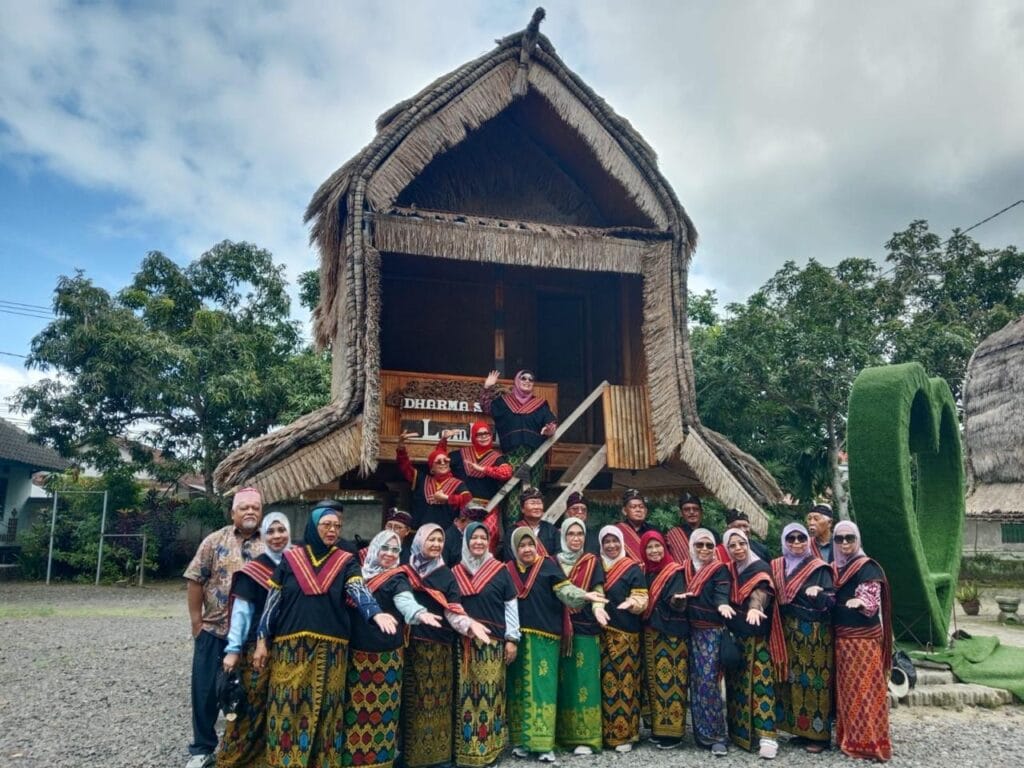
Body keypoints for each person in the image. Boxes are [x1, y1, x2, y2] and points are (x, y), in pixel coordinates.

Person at [253, 503, 398, 768]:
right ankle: (285, 762)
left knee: (326, 709)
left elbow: (358, 590)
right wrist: (262, 640)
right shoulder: (291, 559)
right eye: (326, 525)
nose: (332, 530)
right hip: (291, 647)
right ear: (313, 526)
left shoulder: (345, 561)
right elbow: (272, 603)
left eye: (337, 526)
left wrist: (375, 612)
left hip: (332, 651)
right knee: (287, 705)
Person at [341, 530, 443, 768]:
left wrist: (419, 613)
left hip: (386, 658)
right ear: (375, 548)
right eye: (385, 548)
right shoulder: (358, 574)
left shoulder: (397, 578)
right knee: (353, 712)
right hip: (356, 655)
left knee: (382, 716)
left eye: (395, 550)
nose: (389, 554)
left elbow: (404, 600)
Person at [505, 527, 607, 762]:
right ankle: (523, 742)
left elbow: (565, 590)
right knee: (518, 690)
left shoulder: (547, 566)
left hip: (545, 638)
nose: (527, 549)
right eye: (522, 545)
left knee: (544, 690)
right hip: (517, 639)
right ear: (515, 549)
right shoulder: (508, 571)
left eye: (531, 544)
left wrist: (585, 595)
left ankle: (544, 745)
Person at [184, 487, 265, 768]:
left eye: (256, 507)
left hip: (253, 638)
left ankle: (242, 750)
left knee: (247, 694)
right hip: (214, 631)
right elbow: (195, 579)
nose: (251, 512)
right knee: (205, 691)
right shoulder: (214, 541)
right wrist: (197, 623)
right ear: (233, 513)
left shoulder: (270, 543)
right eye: (244, 508)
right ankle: (202, 748)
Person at [401, 524, 492, 768]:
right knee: (409, 701)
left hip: (439, 648)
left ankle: (438, 758)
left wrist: (470, 626)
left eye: (440, 540)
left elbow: (453, 611)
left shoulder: (446, 575)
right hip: (408, 647)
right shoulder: (404, 571)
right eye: (431, 539)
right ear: (419, 541)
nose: (436, 544)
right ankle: (407, 757)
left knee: (436, 702)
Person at [217, 511, 290, 768]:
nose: (277, 536)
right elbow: (242, 613)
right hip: (255, 648)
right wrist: (233, 649)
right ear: (263, 536)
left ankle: (268, 758)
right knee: (251, 703)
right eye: (270, 531)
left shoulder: (296, 566)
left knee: (280, 705)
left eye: (281, 530)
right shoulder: (255, 570)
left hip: (289, 648)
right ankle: (233, 759)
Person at [451, 522, 521, 767]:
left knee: (490, 697)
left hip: (492, 644)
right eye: (474, 538)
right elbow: (451, 607)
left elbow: (511, 606)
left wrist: (512, 639)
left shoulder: (500, 570)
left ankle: (489, 749)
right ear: (466, 542)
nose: (479, 542)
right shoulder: (455, 572)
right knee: (463, 696)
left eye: (483, 538)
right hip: (463, 644)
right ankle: (465, 750)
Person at [770, 522, 835, 753]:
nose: (796, 543)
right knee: (791, 680)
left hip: (814, 634)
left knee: (815, 682)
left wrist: (820, 594)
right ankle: (800, 729)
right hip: (787, 631)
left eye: (801, 538)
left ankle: (819, 736)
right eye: (791, 539)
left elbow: (832, 599)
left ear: (808, 540)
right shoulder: (777, 566)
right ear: (784, 542)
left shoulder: (820, 568)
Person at [722, 528, 785, 760]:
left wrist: (754, 608)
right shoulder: (729, 570)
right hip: (736, 635)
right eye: (732, 545)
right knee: (737, 684)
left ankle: (768, 737)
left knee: (761, 683)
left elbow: (762, 591)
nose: (738, 549)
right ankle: (740, 734)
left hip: (757, 637)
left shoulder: (760, 569)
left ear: (748, 544)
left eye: (742, 544)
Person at [832, 522, 892, 762]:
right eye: (839, 539)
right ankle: (849, 737)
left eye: (849, 538)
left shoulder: (866, 566)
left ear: (858, 539)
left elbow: (870, 598)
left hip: (863, 641)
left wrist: (861, 601)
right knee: (846, 691)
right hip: (842, 639)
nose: (845, 543)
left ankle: (869, 742)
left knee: (865, 690)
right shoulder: (835, 568)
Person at [554, 518, 609, 756]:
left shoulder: (592, 561)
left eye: (580, 534)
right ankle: (561, 736)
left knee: (584, 683)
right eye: (571, 534)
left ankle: (586, 737)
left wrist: (599, 609)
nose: (575, 538)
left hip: (586, 627)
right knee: (562, 683)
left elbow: (598, 590)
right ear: (564, 536)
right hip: (559, 628)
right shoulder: (553, 562)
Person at [596, 525, 648, 753]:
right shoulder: (595, 565)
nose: (611, 546)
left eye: (615, 541)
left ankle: (625, 735)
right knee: (603, 686)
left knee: (625, 685)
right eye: (606, 542)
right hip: (600, 635)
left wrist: (633, 604)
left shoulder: (632, 568)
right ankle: (603, 734)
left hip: (626, 635)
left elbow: (642, 597)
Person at [480, 369, 557, 522]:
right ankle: (512, 535)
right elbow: (487, 408)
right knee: (513, 496)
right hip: (511, 455)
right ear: (516, 381)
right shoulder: (504, 402)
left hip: (534, 455)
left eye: (530, 379)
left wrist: (550, 429)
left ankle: (529, 533)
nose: (527, 381)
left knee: (531, 494)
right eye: (523, 378)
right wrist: (487, 387)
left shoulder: (540, 404)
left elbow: (551, 423)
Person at [638, 530, 690, 750]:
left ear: (664, 547)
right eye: (649, 547)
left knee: (672, 682)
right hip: (650, 635)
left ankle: (674, 733)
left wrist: (677, 601)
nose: (654, 551)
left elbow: (677, 599)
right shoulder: (644, 572)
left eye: (657, 546)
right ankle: (659, 730)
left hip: (671, 636)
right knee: (655, 684)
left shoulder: (674, 571)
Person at [684, 527, 732, 756]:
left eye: (709, 545)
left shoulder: (719, 569)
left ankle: (717, 736)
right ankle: (700, 735)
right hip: (688, 632)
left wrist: (722, 604)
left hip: (711, 632)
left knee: (709, 683)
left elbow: (722, 592)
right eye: (699, 545)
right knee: (695, 683)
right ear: (691, 546)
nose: (704, 549)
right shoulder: (684, 569)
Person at [442, 422, 513, 550]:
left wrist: (483, 469)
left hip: (488, 508)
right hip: (464, 506)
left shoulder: (496, 457)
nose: (483, 437)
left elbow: (507, 473)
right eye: (479, 434)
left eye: (486, 433)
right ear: (473, 437)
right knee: (462, 539)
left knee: (489, 536)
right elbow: (440, 463)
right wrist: (444, 440)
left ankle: (486, 568)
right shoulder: (462, 454)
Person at [397, 431, 472, 530]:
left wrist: (447, 498)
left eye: (446, 461)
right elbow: (405, 466)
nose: (443, 463)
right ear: (432, 468)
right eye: (438, 462)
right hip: (422, 533)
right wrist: (401, 447)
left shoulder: (458, 484)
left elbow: (467, 499)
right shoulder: (422, 480)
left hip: (448, 535)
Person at [504, 486, 559, 560]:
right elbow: (510, 558)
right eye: (532, 503)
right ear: (522, 509)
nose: (536, 507)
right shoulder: (513, 531)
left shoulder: (551, 530)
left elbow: (558, 555)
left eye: (539, 503)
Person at [665, 492, 719, 564]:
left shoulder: (712, 534)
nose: (691, 512)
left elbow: (718, 556)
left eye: (695, 509)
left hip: (709, 573)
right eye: (687, 509)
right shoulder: (673, 535)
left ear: (701, 512)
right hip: (682, 573)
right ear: (681, 513)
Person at [443, 502, 490, 566]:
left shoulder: (479, 536)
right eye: (472, 521)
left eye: (479, 521)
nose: (476, 525)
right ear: (460, 521)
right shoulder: (447, 538)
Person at [616, 489, 656, 562]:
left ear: (646, 510)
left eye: (641, 507)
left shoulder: (654, 530)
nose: (638, 510)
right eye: (633, 507)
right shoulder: (617, 531)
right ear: (624, 511)